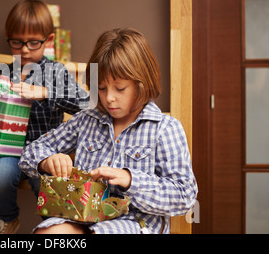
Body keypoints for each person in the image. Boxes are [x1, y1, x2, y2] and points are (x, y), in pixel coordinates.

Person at [18, 27, 198, 234]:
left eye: (119, 89)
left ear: (142, 84)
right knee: (49, 233)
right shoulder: (86, 120)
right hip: (83, 218)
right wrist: (46, 161)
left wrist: (131, 180)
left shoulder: (166, 128)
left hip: (136, 223)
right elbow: (29, 153)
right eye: (101, 88)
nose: (109, 98)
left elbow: (184, 197)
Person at [0, 0, 89, 234]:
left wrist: (45, 93)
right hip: (9, 151)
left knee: (46, 183)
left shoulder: (56, 72)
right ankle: (7, 219)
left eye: (34, 42)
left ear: (49, 41)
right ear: (8, 37)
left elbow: (86, 104)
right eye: (17, 42)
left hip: (46, 151)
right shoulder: (0, 73)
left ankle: (55, 227)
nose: (25, 49)